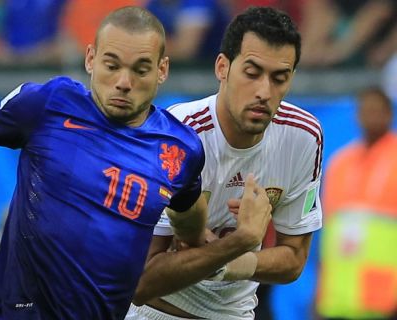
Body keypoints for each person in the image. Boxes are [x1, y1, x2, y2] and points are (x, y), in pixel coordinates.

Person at [0, 6, 272, 319]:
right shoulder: (48, 104)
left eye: (140, 69)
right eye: (111, 65)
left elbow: (188, 212)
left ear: (162, 70)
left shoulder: (180, 150)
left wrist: (208, 237)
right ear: (90, 59)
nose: (123, 82)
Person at [126, 6, 324, 319]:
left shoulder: (303, 136)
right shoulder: (176, 137)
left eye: (279, 78)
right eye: (252, 72)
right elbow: (141, 281)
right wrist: (243, 240)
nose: (264, 91)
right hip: (154, 312)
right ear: (222, 67)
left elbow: (294, 259)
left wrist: (226, 265)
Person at [317, 87, 397, 319]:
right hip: (339, 299)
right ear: (357, 115)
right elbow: (329, 235)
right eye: (365, 110)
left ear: (389, 114)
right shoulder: (340, 163)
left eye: (377, 110)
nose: (370, 116)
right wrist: (320, 292)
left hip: (385, 299)